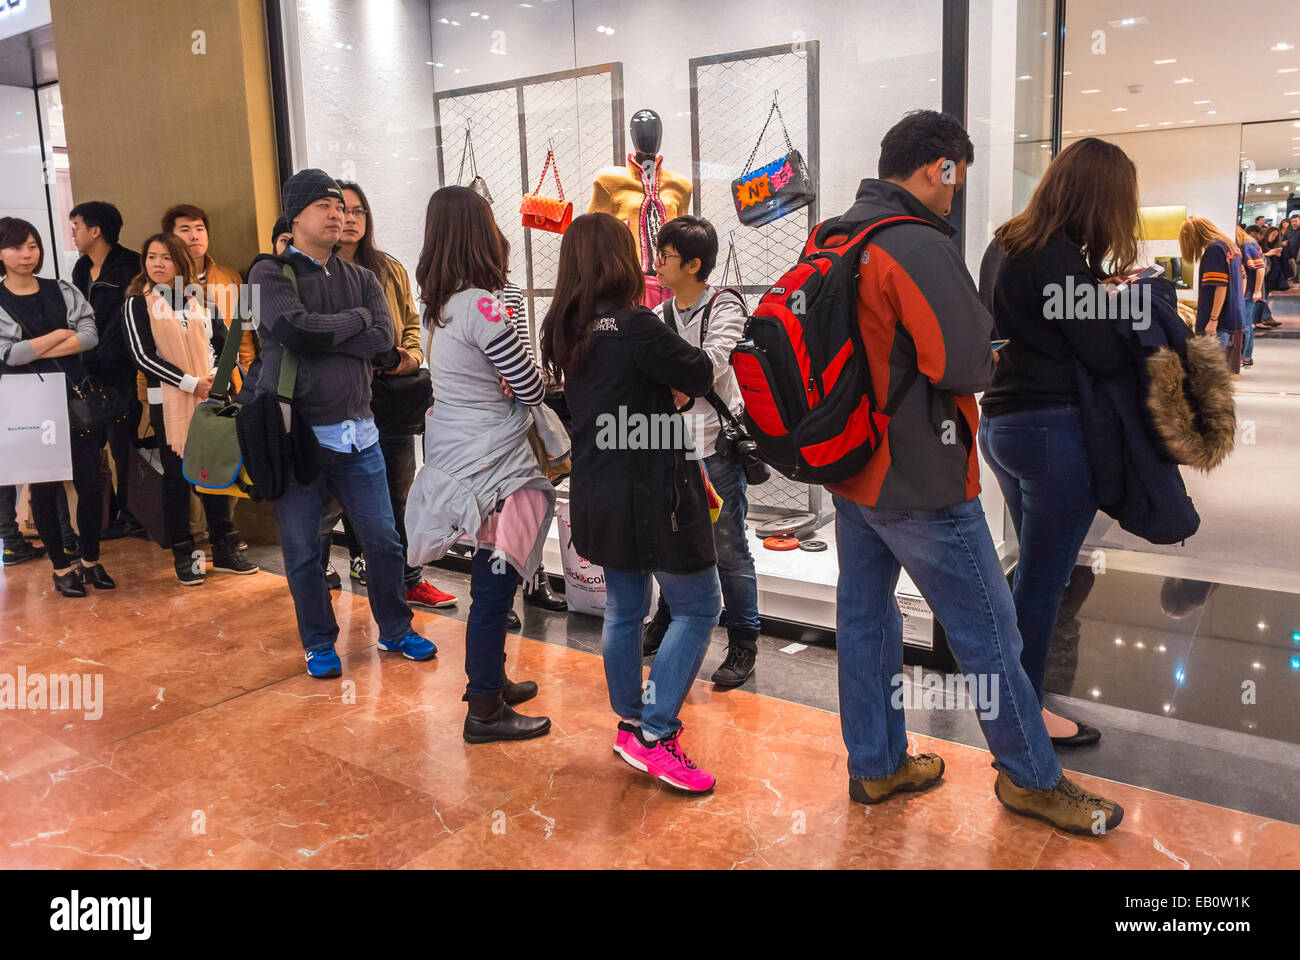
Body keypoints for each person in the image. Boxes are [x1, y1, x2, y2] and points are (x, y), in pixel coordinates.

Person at [825, 110, 1122, 834]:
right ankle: (1030, 778)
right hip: (919, 477)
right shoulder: (915, 245)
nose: (955, 194)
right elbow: (964, 363)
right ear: (938, 167)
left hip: (850, 467)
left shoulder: (834, 236)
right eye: (956, 177)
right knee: (990, 633)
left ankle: (877, 764)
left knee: (866, 619)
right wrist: (991, 351)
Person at [542, 212, 721, 794]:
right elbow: (697, 369)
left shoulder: (566, 325)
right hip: (657, 485)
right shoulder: (637, 324)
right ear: (619, 260)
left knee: (624, 608)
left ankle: (631, 720)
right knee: (697, 606)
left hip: (600, 481)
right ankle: (655, 732)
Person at [978, 137, 1140, 748]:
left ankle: (1011, 702)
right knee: (1045, 583)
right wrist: (1112, 306)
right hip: (1052, 433)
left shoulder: (1007, 242)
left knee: (1030, 575)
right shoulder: (1059, 258)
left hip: (1002, 424)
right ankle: (1023, 718)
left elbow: (1004, 323)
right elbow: (1100, 351)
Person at [245, 168, 435, 678]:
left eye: (344, 208)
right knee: (306, 550)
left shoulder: (364, 277)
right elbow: (292, 328)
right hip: (298, 436)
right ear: (295, 216)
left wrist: (333, 332)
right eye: (325, 207)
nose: (338, 216)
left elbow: (383, 343)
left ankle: (396, 630)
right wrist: (356, 323)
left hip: (361, 435)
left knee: (384, 541)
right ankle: (318, 641)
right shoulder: (268, 274)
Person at [407, 185, 555, 742]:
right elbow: (528, 384)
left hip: (460, 456)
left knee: (488, 574)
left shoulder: (440, 308)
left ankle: (488, 680)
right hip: (502, 466)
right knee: (498, 580)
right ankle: (486, 711)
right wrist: (519, 381)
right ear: (481, 234)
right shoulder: (486, 305)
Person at [320, 180, 457, 610]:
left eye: (359, 211)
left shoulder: (388, 268)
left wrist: (411, 357)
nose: (351, 219)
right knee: (332, 497)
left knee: (398, 492)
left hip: (393, 396)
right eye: (343, 210)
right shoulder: (313, 273)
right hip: (339, 402)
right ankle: (320, 573)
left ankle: (407, 578)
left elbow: (413, 324)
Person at [645, 214, 761, 688]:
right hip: (672, 444)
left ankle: (744, 640)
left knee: (727, 546)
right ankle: (668, 619)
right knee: (671, 537)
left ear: (693, 264)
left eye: (665, 256)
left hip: (715, 443)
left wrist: (675, 384)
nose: (657, 264)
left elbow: (714, 359)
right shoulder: (660, 314)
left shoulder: (724, 306)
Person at [122, 232, 258, 584]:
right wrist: (189, 382)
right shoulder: (137, 303)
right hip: (168, 404)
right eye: (151, 257)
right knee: (178, 480)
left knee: (212, 475)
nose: (157, 264)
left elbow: (224, 341)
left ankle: (225, 549)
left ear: (180, 262)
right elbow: (142, 356)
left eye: (165, 257)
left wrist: (215, 378)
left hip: (211, 399)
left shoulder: (199, 297)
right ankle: (188, 555)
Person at [0, 218, 116, 597]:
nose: (26, 254)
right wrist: (57, 335)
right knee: (46, 490)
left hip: (76, 400)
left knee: (90, 485)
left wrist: (39, 347)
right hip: (32, 407)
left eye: (32, 245)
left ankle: (90, 561)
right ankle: (61, 567)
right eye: (16, 247)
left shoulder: (61, 289)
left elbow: (89, 336)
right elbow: (10, 356)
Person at [69, 200, 143, 540]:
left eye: (77, 226)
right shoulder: (81, 270)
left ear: (95, 231)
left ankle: (132, 515)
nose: (73, 233)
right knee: (92, 446)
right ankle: (107, 515)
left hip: (121, 370)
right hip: (88, 371)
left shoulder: (130, 265)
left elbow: (133, 321)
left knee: (123, 446)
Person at [162, 203, 257, 371]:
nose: (194, 236)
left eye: (200, 229)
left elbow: (244, 340)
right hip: (184, 383)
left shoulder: (230, 278)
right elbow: (152, 346)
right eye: (185, 230)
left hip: (228, 382)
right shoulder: (161, 285)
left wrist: (248, 380)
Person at [1180, 216, 1244, 375]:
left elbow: (1220, 286)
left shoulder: (1214, 249)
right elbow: (1244, 278)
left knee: (1209, 370)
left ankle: (1211, 400)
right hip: (1231, 314)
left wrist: (1213, 319)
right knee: (1217, 366)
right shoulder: (1229, 246)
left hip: (1218, 320)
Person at [1237, 225, 1263, 367]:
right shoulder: (1248, 243)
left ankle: (1246, 356)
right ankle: (1246, 356)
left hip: (1248, 292)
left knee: (1246, 324)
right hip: (1247, 291)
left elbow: (1260, 268)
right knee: (1247, 323)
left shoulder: (1247, 245)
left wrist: (1257, 291)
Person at [1261, 225, 1289, 293]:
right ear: (1268, 233)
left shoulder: (1276, 245)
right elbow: (1258, 258)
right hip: (1264, 275)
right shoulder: (1260, 244)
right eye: (1273, 235)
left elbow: (1284, 261)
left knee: (1266, 293)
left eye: (1276, 236)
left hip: (1274, 276)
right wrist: (1268, 254)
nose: (1274, 238)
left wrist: (1280, 256)